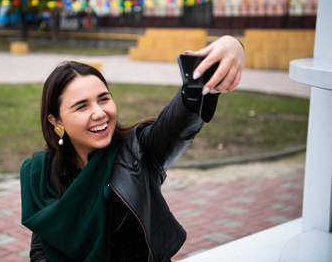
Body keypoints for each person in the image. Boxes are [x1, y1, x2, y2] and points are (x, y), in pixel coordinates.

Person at [20, 35, 245, 262]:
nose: (99, 113)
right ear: (56, 121)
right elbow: (41, 250)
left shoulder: (138, 151)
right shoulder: (41, 173)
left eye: (104, 99)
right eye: (81, 106)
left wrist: (231, 45)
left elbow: (178, 122)